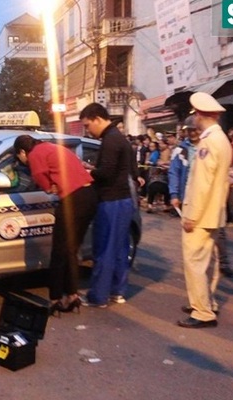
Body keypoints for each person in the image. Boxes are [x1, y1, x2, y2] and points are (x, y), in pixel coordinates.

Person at [13, 135, 98, 314]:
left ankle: (55, 299)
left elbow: (38, 175)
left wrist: (49, 187)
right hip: (89, 196)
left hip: (72, 201)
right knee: (71, 250)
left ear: (22, 151)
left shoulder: (35, 153)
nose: (20, 160)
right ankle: (73, 295)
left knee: (58, 252)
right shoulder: (52, 147)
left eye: (18, 156)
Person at [177, 93, 233, 329]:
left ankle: (202, 311)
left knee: (195, 263)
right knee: (204, 262)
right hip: (213, 212)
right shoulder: (220, 139)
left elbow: (201, 183)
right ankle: (203, 303)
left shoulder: (209, 142)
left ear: (200, 115)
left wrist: (192, 215)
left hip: (201, 213)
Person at [79, 102, 140, 307]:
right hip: (123, 201)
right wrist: (94, 168)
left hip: (111, 202)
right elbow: (127, 170)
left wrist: (88, 172)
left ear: (97, 119)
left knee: (104, 250)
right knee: (120, 249)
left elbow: (106, 173)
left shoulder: (110, 141)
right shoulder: (119, 139)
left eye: (88, 125)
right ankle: (117, 291)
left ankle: (98, 296)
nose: (88, 130)